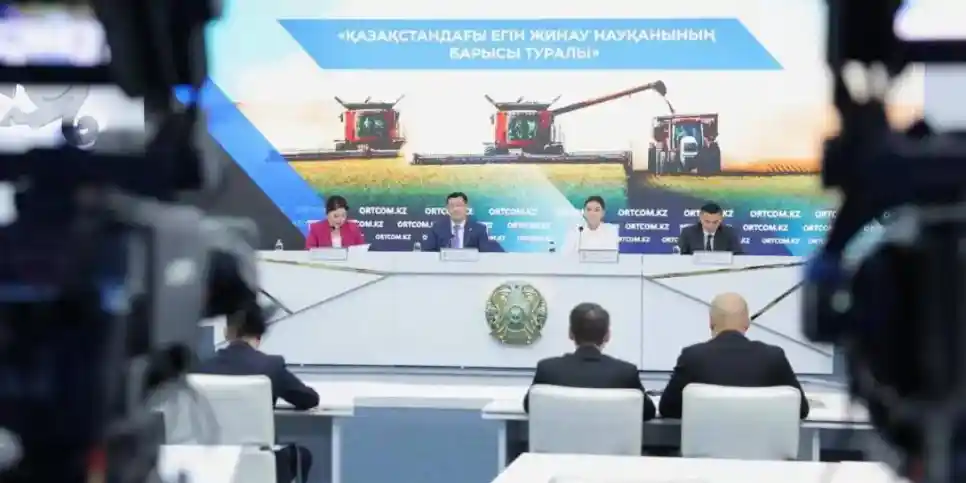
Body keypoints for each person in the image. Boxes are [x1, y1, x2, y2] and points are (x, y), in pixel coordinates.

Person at [195, 305, 320, 483]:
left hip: (213, 468)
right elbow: (309, 399)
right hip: (260, 468)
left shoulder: (202, 368)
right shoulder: (271, 366)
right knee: (302, 455)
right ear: (259, 335)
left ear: (226, 333)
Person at [658, 292, 809, 419]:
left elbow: (667, 409)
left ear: (711, 322)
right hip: (760, 446)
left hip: (707, 446)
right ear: (747, 323)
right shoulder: (774, 357)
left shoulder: (692, 357)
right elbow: (801, 410)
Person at [523, 303, 657, 422]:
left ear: (570, 333)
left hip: (559, 443)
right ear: (607, 335)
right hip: (610, 443)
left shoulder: (547, 369)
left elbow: (529, 407)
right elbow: (648, 413)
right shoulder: (625, 373)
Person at [421, 192, 496, 252]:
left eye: (459, 205)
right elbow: (428, 253)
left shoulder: (479, 229)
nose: (455, 209)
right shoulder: (437, 228)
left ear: (466, 207)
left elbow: (485, 254)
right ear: (447, 209)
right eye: (452, 206)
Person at [676, 202, 742, 254]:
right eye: (707, 221)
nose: (711, 226)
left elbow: (739, 256)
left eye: (715, 222)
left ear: (721, 219)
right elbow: (682, 257)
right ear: (700, 218)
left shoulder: (729, 233)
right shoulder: (688, 233)